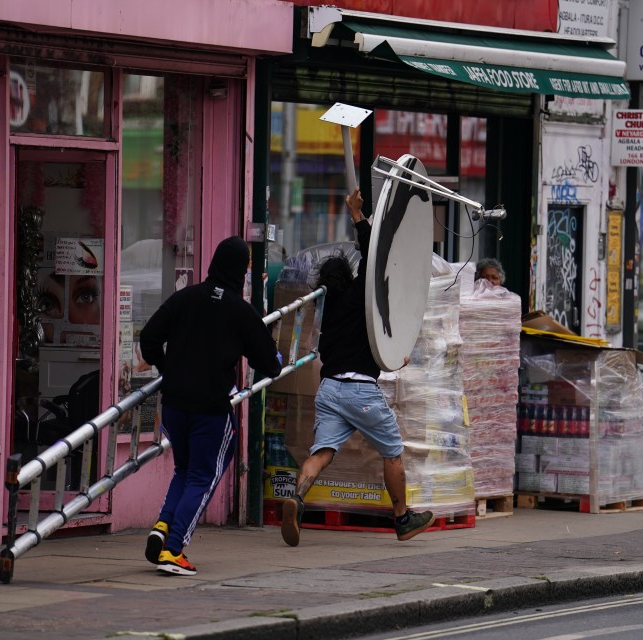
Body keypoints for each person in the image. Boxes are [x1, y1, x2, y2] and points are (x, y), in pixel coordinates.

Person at [280, 188, 435, 548]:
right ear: (348, 277)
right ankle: (402, 518)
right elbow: (373, 254)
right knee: (393, 451)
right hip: (360, 390)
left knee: (322, 452)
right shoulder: (358, 296)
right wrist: (357, 215)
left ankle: (297, 499)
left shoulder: (328, 311)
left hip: (330, 388)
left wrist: (391, 354)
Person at [139, 235, 282, 576]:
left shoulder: (185, 298)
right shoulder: (240, 311)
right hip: (210, 410)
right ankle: (174, 550)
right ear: (239, 271)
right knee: (204, 476)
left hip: (174, 404)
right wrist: (272, 352)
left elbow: (149, 339)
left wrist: (167, 368)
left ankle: (162, 527)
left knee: (185, 470)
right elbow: (270, 363)